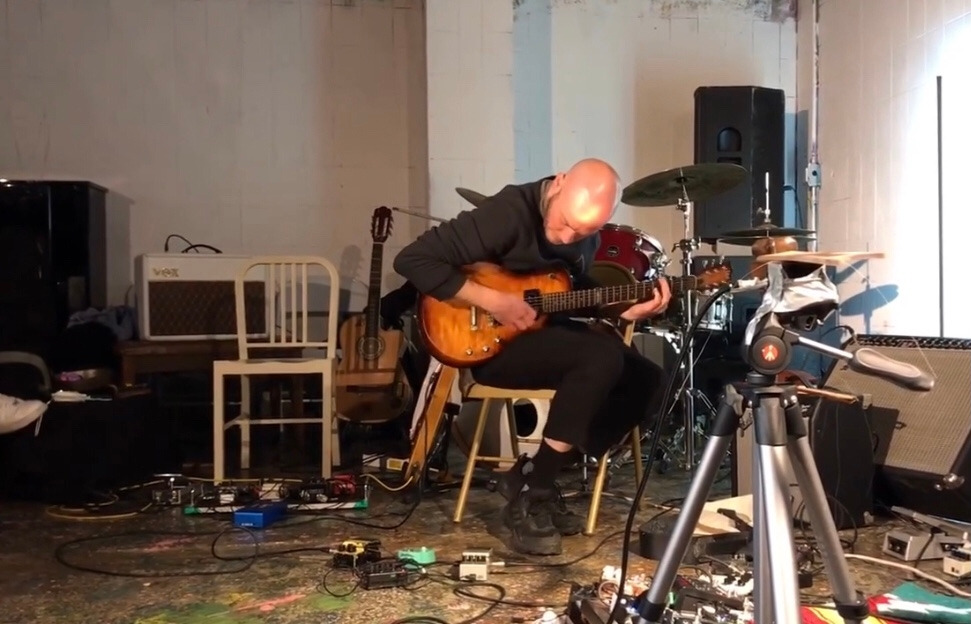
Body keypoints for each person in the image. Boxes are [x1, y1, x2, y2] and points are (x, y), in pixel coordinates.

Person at [393, 158, 672, 556]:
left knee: (648, 380)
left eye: (583, 231)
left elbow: (571, 293)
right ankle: (536, 493)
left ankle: (533, 472)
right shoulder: (507, 214)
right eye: (566, 223)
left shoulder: (586, 236)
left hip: (540, 335)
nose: (569, 236)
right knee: (600, 357)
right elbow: (412, 259)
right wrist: (494, 300)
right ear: (558, 184)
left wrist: (624, 310)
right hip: (485, 341)